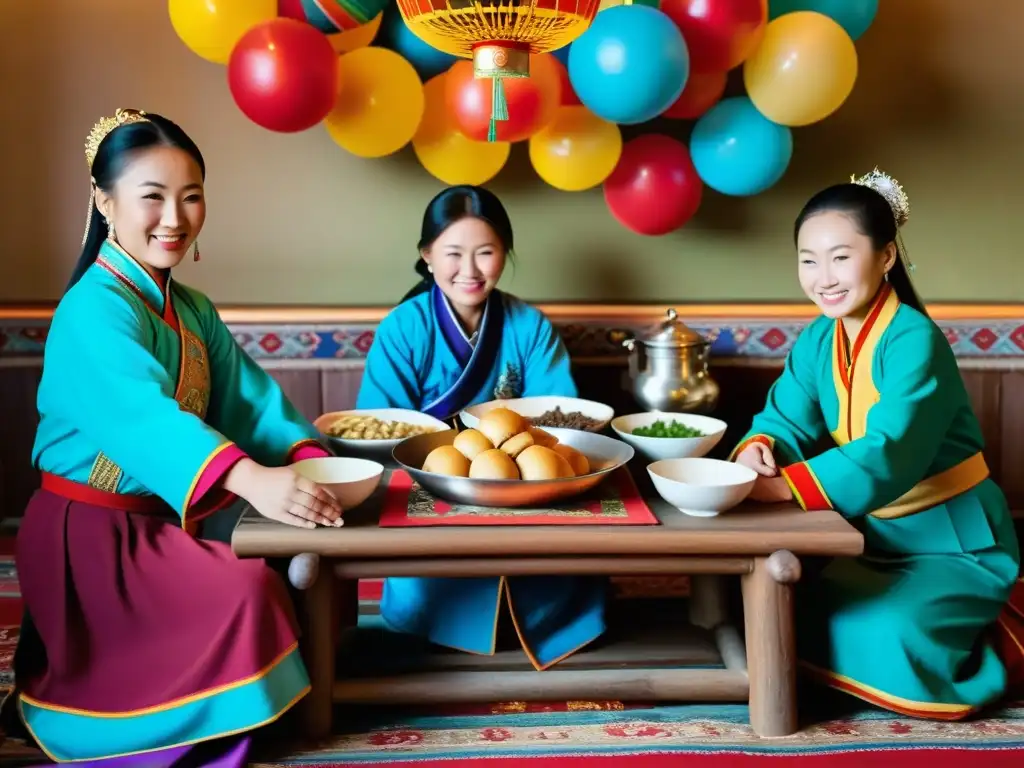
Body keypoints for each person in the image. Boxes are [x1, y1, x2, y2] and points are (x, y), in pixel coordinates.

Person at [10, 109, 343, 765]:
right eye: (153, 197)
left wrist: (308, 461)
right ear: (105, 202)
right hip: (91, 534)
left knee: (278, 564)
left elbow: (251, 400)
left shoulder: (191, 308)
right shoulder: (91, 308)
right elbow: (144, 419)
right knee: (248, 591)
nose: (175, 217)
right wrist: (253, 479)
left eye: (191, 196)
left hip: (163, 521)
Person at [731, 168, 1024, 718]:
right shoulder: (821, 334)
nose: (824, 277)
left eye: (841, 257)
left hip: (953, 541)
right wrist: (760, 447)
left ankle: (1005, 636)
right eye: (808, 259)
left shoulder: (914, 338)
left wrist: (783, 488)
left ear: (886, 256)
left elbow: (894, 448)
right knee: (782, 610)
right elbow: (786, 416)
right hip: (874, 537)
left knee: (888, 630)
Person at [356, 185, 605, 671]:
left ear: (505, 254)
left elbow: (560, 421)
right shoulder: (403, 328)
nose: (469, 271)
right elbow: (382, 428)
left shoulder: (528, 325)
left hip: (525, 490)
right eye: (453, 253)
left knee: (564, 544)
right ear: (427, 256)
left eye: (486, 253)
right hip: (434, 489)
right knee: (426, 578)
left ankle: (541, 618)